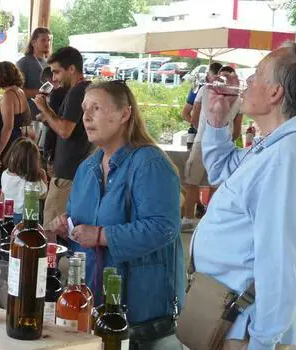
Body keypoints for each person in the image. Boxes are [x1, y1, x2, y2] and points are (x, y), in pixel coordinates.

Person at [194, 42, 296, 349]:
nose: (247, 82)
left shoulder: (288, 159)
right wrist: (217, 122)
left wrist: (262, 341)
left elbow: (281, 260)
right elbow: (222, 171)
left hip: (245, 327)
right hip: (228, 313)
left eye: (256, 75)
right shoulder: (278, 143)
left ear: (275, 93)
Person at [47, 80, 184, 349]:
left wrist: (101, 235)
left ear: (124, 114)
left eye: (96, 108)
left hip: (143, 316)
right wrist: (65, 228)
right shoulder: (87, 168)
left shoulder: (149, 162)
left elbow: (163, 227)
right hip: (95, 308)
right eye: (84, 109)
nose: (85, 116)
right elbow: (80, 228)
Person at [34, 46, 94, 227]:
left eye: (57, 72)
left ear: (72, 69)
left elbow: (65, 130)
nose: (54, 78)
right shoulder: (85, 90)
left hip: (68, 174)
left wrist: (45, 109)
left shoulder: (78, 91)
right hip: (73, 170)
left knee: (51, 231)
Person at [181, 65, 243, 232]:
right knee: (217, 183)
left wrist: (204, 128)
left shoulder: (206, 90)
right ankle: (212, 217)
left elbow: (193, 116)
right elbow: (237, 129)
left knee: (191, 181)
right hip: (224, 142)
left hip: (202, 140)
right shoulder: (238, 97)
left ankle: (188, 219)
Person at [0, 61, 32, 186]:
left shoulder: (8, 95)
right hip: (17, 141)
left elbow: (8, 127)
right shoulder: (20, 92)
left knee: (0, 182)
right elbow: (26, 119)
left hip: (7, 144)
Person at [1, 138, 48, 223]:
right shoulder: (33, 180)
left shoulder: (5, 174)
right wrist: (44, 178)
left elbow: (3, 195)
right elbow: (43, 194)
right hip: (27, 216)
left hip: (8, 213)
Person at [39, 66, 69, 172]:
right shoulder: (72, 92)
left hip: (56, 146)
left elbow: (54, 123)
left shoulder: (57, 94)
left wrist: (45, 116)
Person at [16, 27, 51, 99]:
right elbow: (17, 91)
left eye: (48, 40)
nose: (47, 43)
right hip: (31, 108)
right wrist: (42, 92)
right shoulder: (24, 62)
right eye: (43, 40)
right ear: (33, 43)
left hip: (49, 108)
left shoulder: (50, 63)